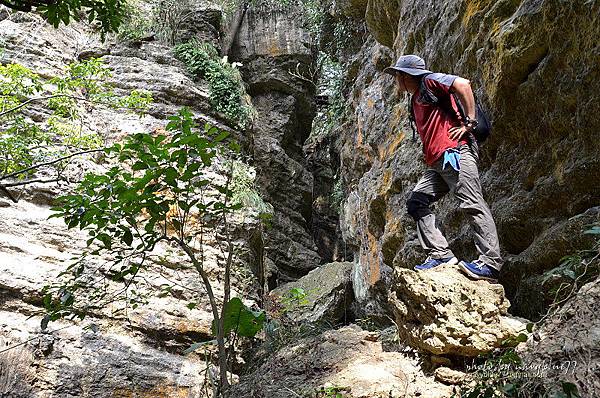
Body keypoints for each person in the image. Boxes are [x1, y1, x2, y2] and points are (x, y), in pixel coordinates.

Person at [384, 54, 503, 282]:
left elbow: (462, 84)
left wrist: (469, 123)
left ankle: (490, 264)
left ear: (406, 75)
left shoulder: (429, 81)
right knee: (417, 202)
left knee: (471, 202)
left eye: (397, 75)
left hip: (454, 153)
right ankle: (440, 255)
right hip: (438, 162)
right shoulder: (417, 97)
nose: (396, 79)